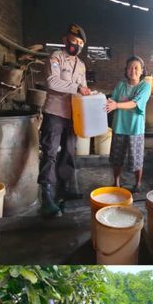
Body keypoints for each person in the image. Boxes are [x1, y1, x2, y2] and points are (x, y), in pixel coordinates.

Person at [38, 24, 89, 218]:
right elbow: (52, 82)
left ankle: (64, 188)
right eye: (73, 40)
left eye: (80, 43)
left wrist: (90, 95)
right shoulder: (55, 57)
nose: (76, 45)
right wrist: (77, 87)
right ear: (64, 39)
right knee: (50, 152)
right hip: (55, 113)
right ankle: (47, 196)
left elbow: (83, 88)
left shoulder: (82, 65)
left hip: (73, 115)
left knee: (68, 152)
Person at [106, 56, 151, 191]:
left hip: (135, 129)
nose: (133, 70)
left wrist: (116, 105)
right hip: (119, 126)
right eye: (130, 67)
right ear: (126, 70)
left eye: (136, 68)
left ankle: (137, 184)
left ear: (142, 71)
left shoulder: (145, 86)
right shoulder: (121, 85)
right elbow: (112, 100)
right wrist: (100, 99)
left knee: (136, 158)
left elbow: (135, 103)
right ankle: (116, 182)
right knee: (117, 157)